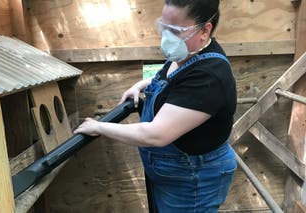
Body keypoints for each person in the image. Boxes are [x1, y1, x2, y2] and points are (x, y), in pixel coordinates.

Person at [74, 0, 237, 212]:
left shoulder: (209, 76)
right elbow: (172, 81)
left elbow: (155, 135)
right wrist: (140, 85)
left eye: (175, 30)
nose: (166, 37)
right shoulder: (187, 53)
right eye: (163, 27)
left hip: (193, 182)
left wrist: (98, 127)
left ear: (205, 30)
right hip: (175, 177)